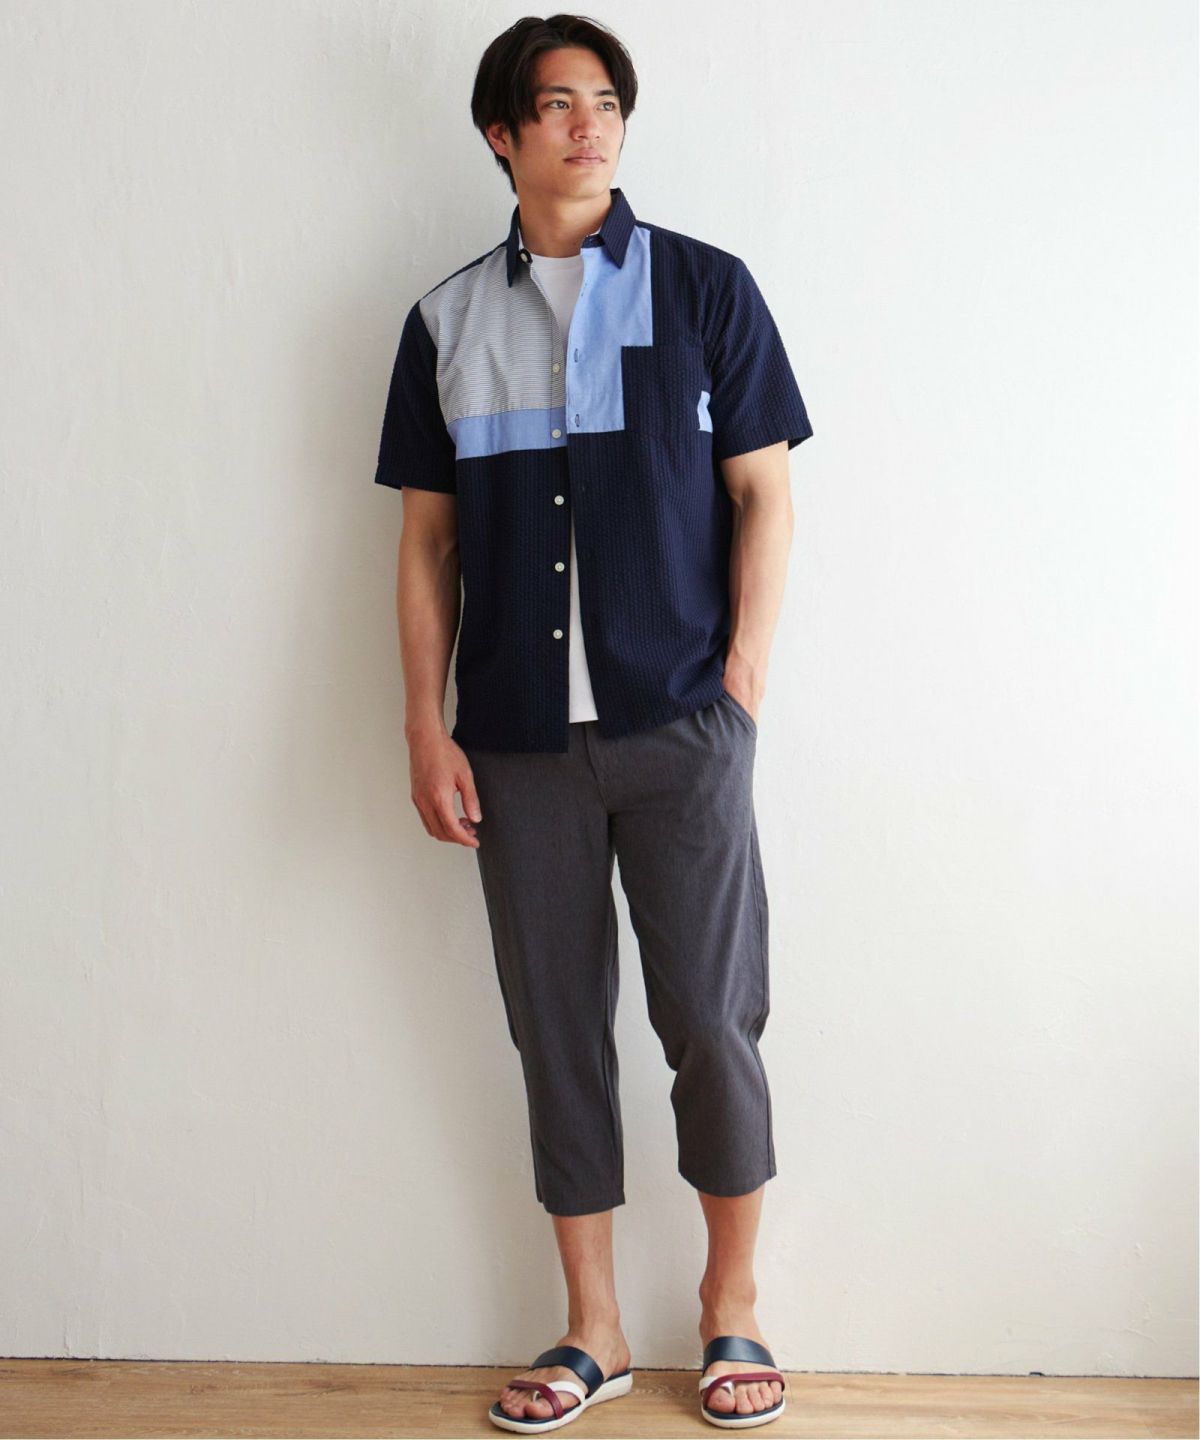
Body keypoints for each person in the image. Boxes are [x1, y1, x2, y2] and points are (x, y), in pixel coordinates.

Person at [374, 14, 813, 1432]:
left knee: (713, 1022)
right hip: (516, 743)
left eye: (607, 101)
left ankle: (733, 1304)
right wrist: (425, 726)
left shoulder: (705, 290)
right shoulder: (445, 322)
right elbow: (426, 543)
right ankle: (595, 1330)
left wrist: (740, 685)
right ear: (501, 133)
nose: (590, 124)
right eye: (558, 103)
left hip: (683, 725)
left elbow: (765, 494)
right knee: (557, 1031)